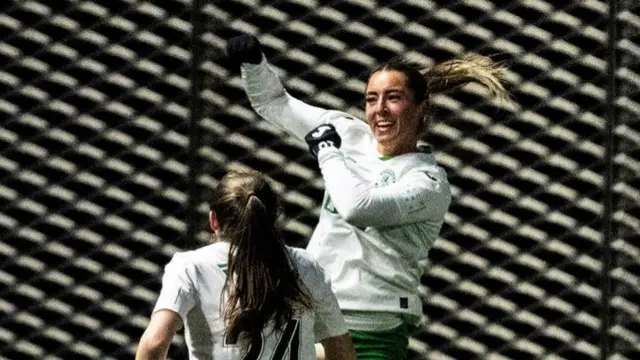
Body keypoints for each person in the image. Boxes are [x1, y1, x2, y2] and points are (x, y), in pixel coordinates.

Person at [226, 35, 510, 359]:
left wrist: (328, 151)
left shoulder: (428, 182)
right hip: (312, 312)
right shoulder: (344, 132)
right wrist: (254, 63)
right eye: (371, 99)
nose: (379, 110)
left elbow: (358, 208)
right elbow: (273, 102)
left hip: (372, 331)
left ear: (421, 109)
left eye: (393, 98)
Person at [135, 170, 357, 360]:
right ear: (272, 217)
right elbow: (342, 352)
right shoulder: (305, 266)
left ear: (213, 220)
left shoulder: (191, 268)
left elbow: (154, 343)